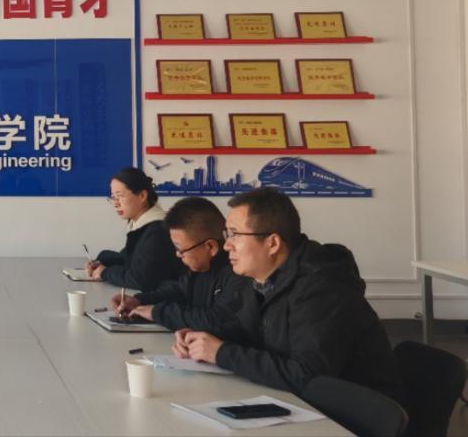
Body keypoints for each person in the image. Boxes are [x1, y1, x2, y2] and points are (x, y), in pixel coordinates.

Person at [174, 187, 404, 401]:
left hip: (354, 414)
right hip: (305, 404)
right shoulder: (263, 280)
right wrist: (201, 339)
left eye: (235, 234)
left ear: (273, 243)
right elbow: (245, 330)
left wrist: (221, 353)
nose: (226, 245)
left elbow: (308, 375)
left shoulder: (321, 288)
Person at [110, 196, 244, 330]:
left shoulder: (237, 273)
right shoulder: (200, 267)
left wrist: (157, 312)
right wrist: (139, 300)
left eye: (181, 249)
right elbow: (179, 291)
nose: (178, 254)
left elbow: (215, 320)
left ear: (210, 247)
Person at [86, 167, 184, 290]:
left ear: (142, 195)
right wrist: (101, 263)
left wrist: (105, 273)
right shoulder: (139, 223)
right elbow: (129, 258)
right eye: (113, 197)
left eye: (120, 196)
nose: (116, 203)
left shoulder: (158, 230)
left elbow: (141, 279)